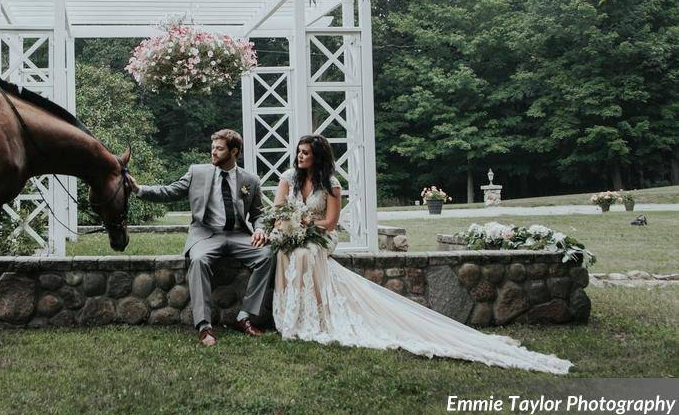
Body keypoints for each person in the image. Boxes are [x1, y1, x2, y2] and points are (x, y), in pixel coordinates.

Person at [271, 134, 573, 374]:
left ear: (318, 157)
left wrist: (309, 223)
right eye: (298, 152)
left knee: (306, 255)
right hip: (296, 231)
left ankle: (310, 318)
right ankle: (292, 315)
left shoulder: (331, 184)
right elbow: (278, 212)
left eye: (305, 152)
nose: (300, 156)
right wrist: (290, 226)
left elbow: (331, 222)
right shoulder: (289, 179)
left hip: (322, 235)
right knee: (286, 254)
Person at [128, 129, 273, 347]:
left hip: (238, 235)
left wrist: (260, 229)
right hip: (207, 234)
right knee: (198, 260)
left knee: (267, 254)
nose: (213, 152)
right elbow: (170, 191)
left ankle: (244, 317)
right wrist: (140, 190)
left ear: (234, 151)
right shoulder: (197, 172)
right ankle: (204, 326)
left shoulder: (250, 180)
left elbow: (259, 213)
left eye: (219, 149)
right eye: (212, 147)